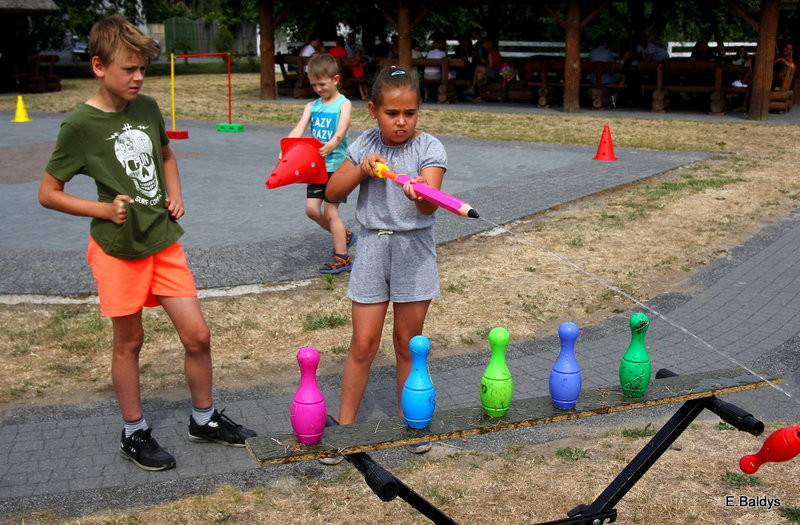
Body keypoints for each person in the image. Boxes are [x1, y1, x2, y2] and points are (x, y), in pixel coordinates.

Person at [37, 15, 256, 472]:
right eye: (128, 69)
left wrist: (175, 193)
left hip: (162, 241)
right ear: (98, 66)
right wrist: (101, 209)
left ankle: (203, 419)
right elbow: (48, 193)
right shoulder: (79, 125)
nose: (138, 77)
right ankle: (134, 432)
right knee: (129, 341)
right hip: (117, 249)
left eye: (142, 69)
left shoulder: (148, 107)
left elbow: (166, 155)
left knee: (198, 334)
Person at [322, 66, 447, 463]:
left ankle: (409, 422)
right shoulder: (364, 144)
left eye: (409, 113)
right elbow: (332, 191)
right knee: (363, 344)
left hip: (414, 250)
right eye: (392, 113)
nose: (401, 121)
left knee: (408, 344)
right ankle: (344, 431)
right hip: (374, 248)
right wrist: (361, 169)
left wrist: (418, 191)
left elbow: (431, 200)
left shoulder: (430, 148)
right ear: (373, 111)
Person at [287, 53, 356, 274]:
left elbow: (343, 127)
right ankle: (344, 235)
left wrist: (333, 143)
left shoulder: (343, 104)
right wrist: (286, 148)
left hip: (338, 167)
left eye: (322, 84)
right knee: (311, 210)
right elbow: (299, 130)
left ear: (335, 79)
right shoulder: (312, 106)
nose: (318, 88)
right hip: (316, 169)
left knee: (330, 212)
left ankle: (342, 257)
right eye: (314, 84)